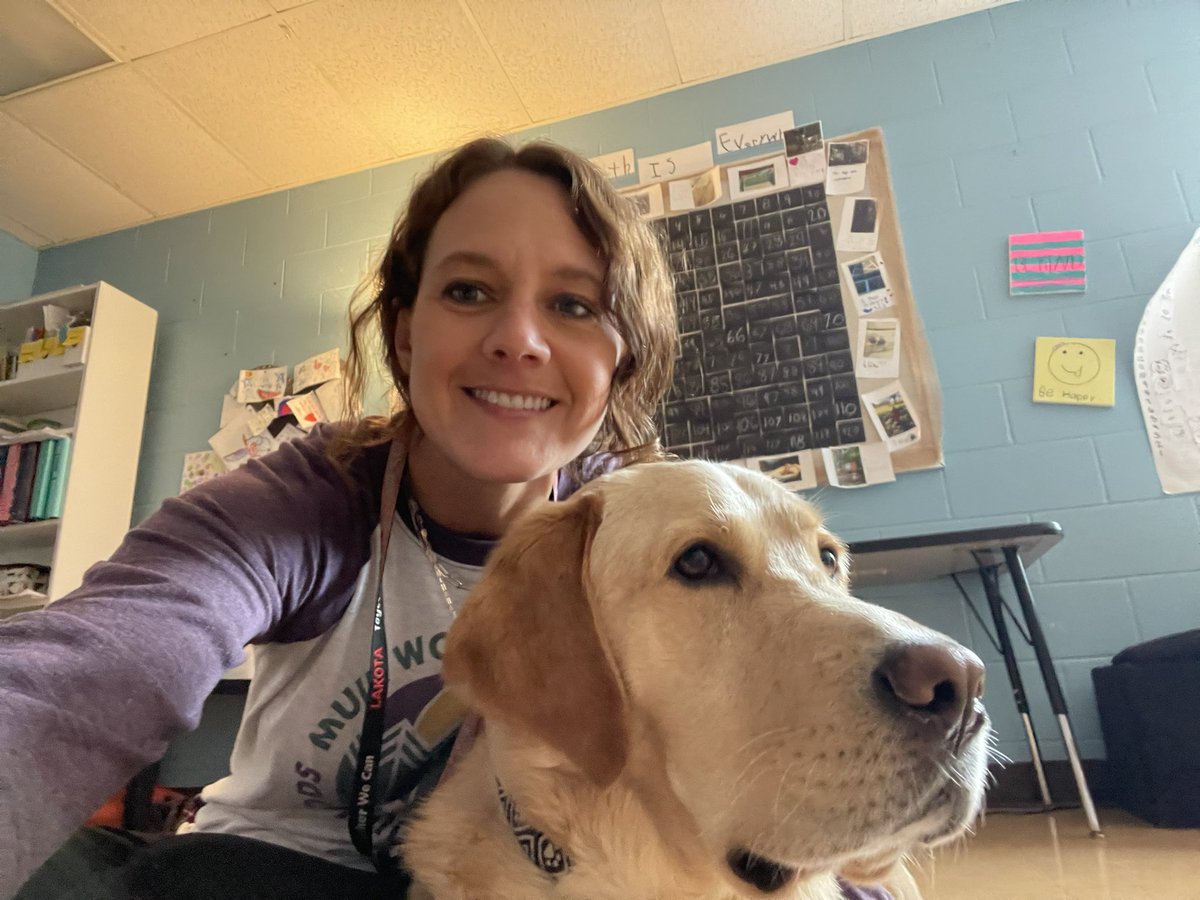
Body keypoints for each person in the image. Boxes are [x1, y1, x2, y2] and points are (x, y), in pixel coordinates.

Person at [0, 137, 678, 899]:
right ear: (405, 332)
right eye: (467, 291)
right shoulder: (305, 499)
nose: (517, 340)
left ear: (621, 360)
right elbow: (87, 678)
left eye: (574, 304)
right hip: (270, 875)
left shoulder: (652, 540)